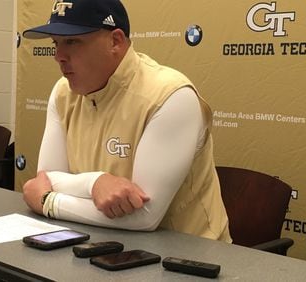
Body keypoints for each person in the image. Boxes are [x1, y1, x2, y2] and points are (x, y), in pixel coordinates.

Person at [22, 0, 231, 242]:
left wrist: (50, 202)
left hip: (188, 259)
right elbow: (46, 179)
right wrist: (95, 183)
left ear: (115, 41)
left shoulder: (170, 95)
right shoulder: (62, 92)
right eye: (55, 43)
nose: (58, 56)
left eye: (72, 41)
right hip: (101, 245)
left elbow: (144, 216)